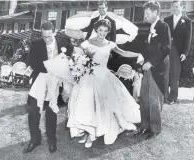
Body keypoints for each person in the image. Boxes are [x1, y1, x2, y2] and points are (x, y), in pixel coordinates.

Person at [66, 19, 142, 148]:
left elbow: (123, 53)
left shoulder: (110, 44)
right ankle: (87, 131)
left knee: (103, 104)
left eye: (106, 31)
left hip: (104, 76)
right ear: (96, 30)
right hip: (89, 76)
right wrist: (77, 62)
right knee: (87, 104)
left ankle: (94, 133)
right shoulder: (87, 43)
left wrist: (138, 54)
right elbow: (77, 56)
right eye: (100, 30)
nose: (103, 33)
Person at [23, 21, 66, 153]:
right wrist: (50, 66)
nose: (47, 39)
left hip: (55, 83)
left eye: (49, 36)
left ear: (55, 32)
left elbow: (68, 61)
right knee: (33, 111)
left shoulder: (63, 43)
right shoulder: (36, 44)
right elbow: (31, 62)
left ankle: (52, 141)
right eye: (44, 37)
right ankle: (35, 139)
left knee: (51, 113)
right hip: (39, 81)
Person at [138, 1, 171, 140]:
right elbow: (149, 49)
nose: (145, 15)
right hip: (148, 67)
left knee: (154, 99)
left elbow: (166, 48)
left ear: (156, 12)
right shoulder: (150, 27)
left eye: (148, 13)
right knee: (144, 96)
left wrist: (151, 62)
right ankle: (145, 125)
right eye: (145, 13)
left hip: (158, 68)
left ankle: (155, 128)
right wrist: (143, 58)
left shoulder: (163, 26)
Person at [164, 0, 192, 104]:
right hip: (166, 50)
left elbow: (188, 39)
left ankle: (172, 97)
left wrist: (185, 53)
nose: (175, 8)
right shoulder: (166, 19)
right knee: (165, 72)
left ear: (182, 7)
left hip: (178, 50)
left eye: (177, 6)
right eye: (173, 7)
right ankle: (164, 96)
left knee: (174, 74)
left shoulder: (187, 21)